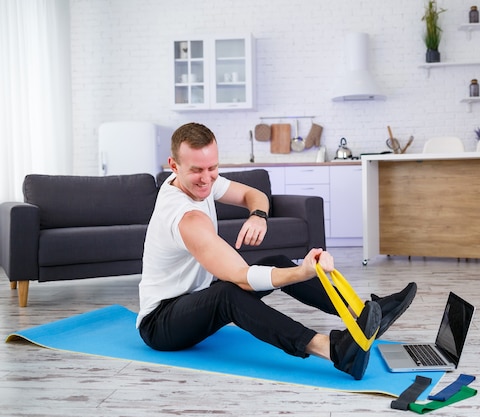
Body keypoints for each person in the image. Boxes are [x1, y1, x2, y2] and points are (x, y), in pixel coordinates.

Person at [136, 122, 416, 380]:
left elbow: (254, 195)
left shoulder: (202, 180)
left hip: (194, 299)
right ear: (174, 165)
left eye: (213, 167)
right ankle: (334, 350)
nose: (207, 178)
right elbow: (241, 277)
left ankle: (363, 314)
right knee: (228, 295)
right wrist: (302, 272)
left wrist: (258, 214)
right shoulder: (186, 218)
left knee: (276, 261)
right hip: (161, 322)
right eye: (197, 170)